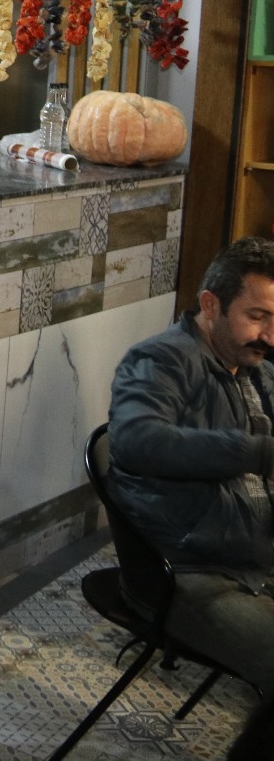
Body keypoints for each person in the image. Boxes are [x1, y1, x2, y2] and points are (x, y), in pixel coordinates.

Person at [107, 235, 274, 695]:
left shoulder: (259, 371)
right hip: (188, 573)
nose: (270, 336)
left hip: (254, 559)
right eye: (257, 316)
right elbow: (137, 442)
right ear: (211, 304)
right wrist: (258, 452)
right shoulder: (159, 360)